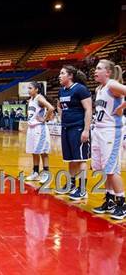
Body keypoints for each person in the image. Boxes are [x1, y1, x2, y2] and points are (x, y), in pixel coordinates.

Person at [91, 60, 126, 220]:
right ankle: (110, 200)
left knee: (112, 169)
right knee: (105, 169)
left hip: (111, 132)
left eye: (99, 68)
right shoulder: (100, 88)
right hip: (99, 131)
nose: (95, 71)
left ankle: (122, 204)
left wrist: (122, 107)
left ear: (108, 72)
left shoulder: (112, 85)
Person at [55, 65, 92, 201]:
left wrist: (86, 130)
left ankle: (82, 190)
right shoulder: (61, 91)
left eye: (62, 73)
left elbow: (88, 109)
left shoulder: (80, 89)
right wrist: (62, 117)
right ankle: (71, 185)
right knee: (70, 159)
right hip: (66, 128)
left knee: (81, 159)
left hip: (78, 128)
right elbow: (59, 106)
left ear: (70, 76)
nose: (59, 76)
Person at [25, 81, 55, 183]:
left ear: (36, 89)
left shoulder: (39, 98)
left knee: (43, 152)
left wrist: (44, 119)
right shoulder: (31, 100)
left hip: (40, 128)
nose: (28, 90)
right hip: (32, 128)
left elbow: (51, 108)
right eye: (28, 88)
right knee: (34, 152)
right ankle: (35, 173)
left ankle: (46, 174)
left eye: (30, 88)